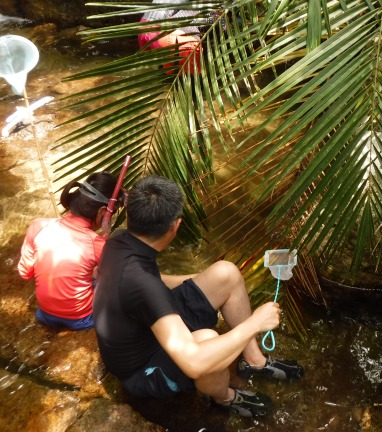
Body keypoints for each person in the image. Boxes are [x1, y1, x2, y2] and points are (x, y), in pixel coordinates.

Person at [93, 175, 303, 418]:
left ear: (130, 215)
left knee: (225, 273)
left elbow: (156, 280)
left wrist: (203, 279)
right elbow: (193, 362)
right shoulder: (144, 286)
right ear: (176, 225)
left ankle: (254, 361)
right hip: (142, 371)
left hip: (145, 325)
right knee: (207, 343)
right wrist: (255, 323)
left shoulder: (119, 240)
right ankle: (224, 398)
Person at [18, 171, 120, 330]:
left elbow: (25, 273)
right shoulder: (96, 244)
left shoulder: (38, 225)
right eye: (111, 214)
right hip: (82, 318)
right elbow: (119, 278)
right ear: (102, 212)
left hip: (44, 313)